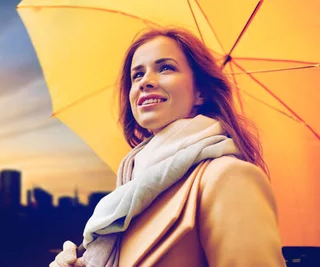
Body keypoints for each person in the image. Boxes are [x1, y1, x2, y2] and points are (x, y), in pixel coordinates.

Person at [50, 27, 285, 267]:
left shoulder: (228, 178)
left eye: (165, 68)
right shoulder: (128, 191)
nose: (145, 82)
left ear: (200, 93)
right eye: (137, 75)